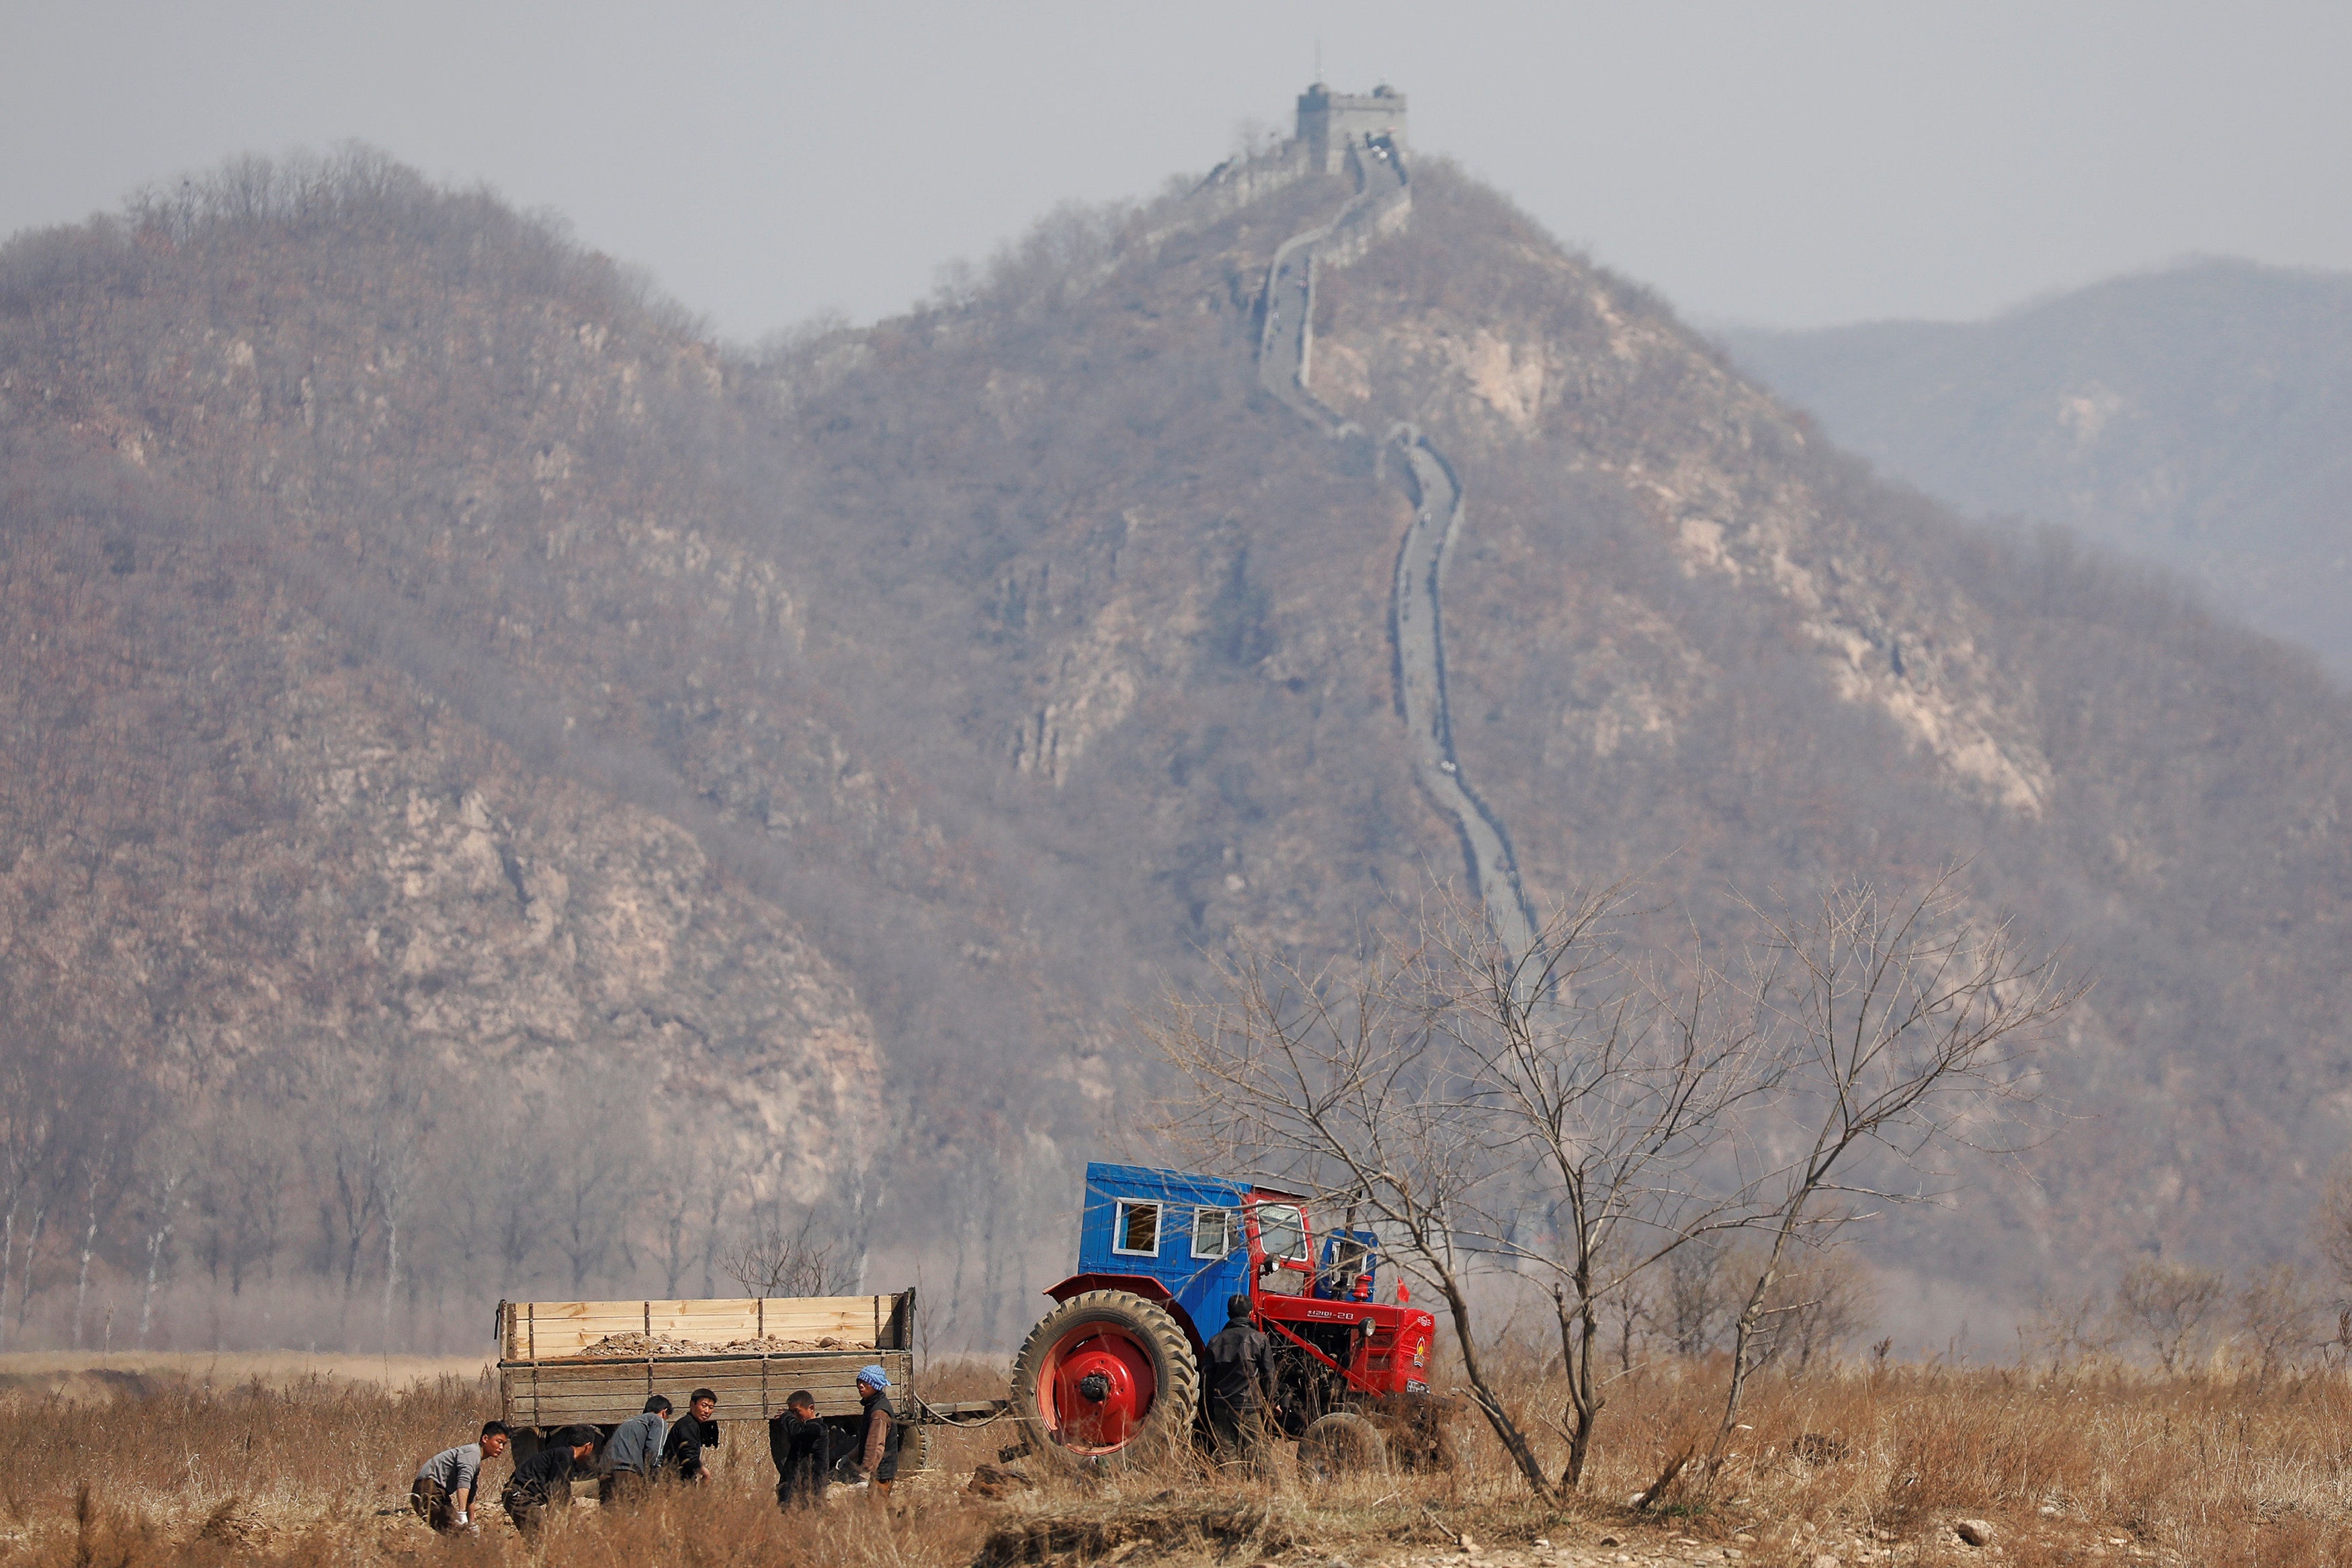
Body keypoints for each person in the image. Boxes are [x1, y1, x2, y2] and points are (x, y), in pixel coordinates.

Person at [1204, 1294, 1279, 1471]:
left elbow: (1207, 1378)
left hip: (1221, 1406)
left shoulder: (1215, 1341)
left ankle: (1231, 1491)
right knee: (1260, 1454)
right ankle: (1274, 1491)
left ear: (1229, 1314)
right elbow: (1269, 1373)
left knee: (1227, 1455)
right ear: (1251, 1312)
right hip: (1248, 1406)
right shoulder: (1259, 1340)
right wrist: (1273, 1401)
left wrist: (1211, 1403)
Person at [409, 1421, 509, 1533]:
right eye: (499, 1442)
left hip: (437, 1492)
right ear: (485, 1439)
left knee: (461, 1533)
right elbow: (463, 1482)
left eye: (504, 1444)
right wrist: (462, 1514)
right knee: (459, 1534)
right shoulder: (472, 1454)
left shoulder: (475, 1460)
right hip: (427, 1490)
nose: (501, 1447)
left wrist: (472, 1523)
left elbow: (471, 1494)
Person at [501, 1426, 597, 1536]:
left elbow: (562, 1489)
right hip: (520, 1497)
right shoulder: (564, 1456)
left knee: (539, 1539)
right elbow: (557, 1491)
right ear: (588, 1446)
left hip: (519, 1496)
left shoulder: (563, 1454)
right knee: (542, 1537)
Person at [598, 1395, 671, 1506]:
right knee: (633, 1515)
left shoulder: (629, 1422)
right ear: (664, 1412)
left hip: (605, 1471)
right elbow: (653, 1451)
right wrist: (654, 1474)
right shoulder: (658, 1420)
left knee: (610, 1515)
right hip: (627, 1471)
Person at [768, 1389, 831, 1508]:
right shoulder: (805, 1428)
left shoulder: (817, 1429)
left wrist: (787, 1416)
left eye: (797, 1412)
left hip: (810, 1490)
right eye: (792, 1413)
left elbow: (796, 1433)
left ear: (811, 1409)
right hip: (797, 1488)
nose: (795, 1416)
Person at [853, 1364, 902, 1497]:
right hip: (877, 1471)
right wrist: (849, 1456)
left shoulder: (879, 1413)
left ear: (876, 1385)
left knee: (877, 1512)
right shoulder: (871, 1405)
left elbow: (876, 1446)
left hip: (881, 1473)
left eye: (866, 1383)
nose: (861, 1386)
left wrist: (865, 1476)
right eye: (860, 1382)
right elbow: (866, 1440)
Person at [660, 1388, 720, 1482]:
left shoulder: (693, 1424)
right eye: (704, 1406)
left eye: (711, 1408)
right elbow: (689, 1456)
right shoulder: (688, 1425)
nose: (707, 1411)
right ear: (692, 1404)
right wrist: (705, 1473)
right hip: (676, 1483)